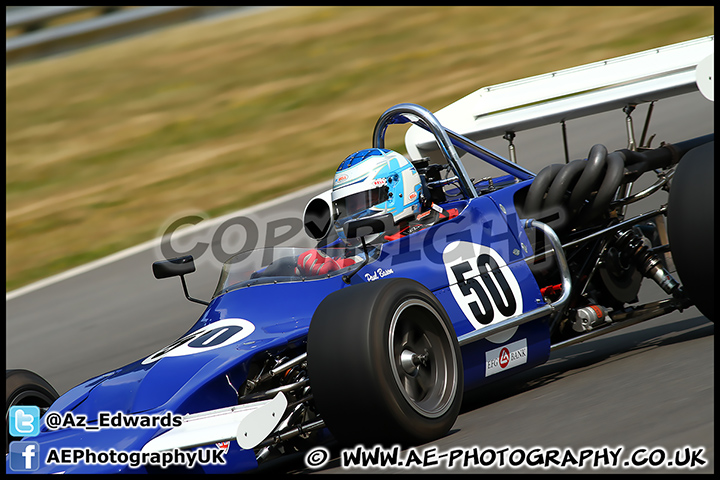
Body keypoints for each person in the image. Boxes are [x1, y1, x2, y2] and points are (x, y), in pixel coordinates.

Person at [296, 148, 459, 276]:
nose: (352, 213)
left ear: (398, 192)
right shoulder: (360, 240)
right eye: (347, 205)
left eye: (362, 202)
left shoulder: (430, 228)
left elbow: (390, 256)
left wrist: (337, 267)